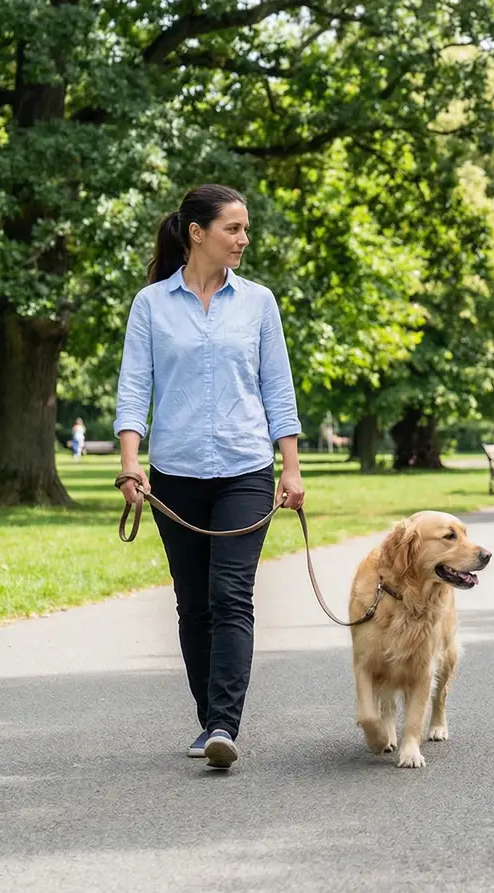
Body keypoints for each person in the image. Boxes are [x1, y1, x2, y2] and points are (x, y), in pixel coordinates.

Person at [114, 184, 305, 771]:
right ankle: (208, 722)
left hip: (246, 469)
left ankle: (224, 722)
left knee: (231, 594)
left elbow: (277, 388)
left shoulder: (259, 303)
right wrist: (129, 465)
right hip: (175, 474)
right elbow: (133, 390)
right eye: (234, 228)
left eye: (245, 229)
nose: (244, 239)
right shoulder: (151, 305)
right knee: (193, 603)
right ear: (198, 233)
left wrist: (290, 466)